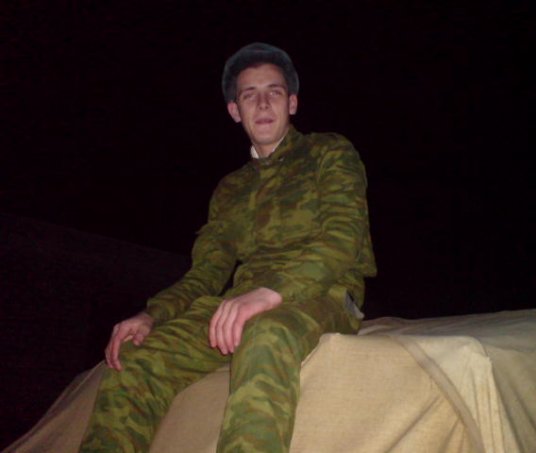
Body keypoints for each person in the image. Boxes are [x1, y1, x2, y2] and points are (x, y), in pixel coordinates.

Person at [79, 42, 376, 453]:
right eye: (249, 95)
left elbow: (343, 238)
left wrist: (270, 293)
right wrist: (151, 314)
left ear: (292, 102)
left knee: (265, 333)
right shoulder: (231, 189)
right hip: (245, 300)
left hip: (325, 293)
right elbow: (206, 272)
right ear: (235, 111)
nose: (263, 103)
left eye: (273, 92)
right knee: (134, 358)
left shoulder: (329, 152)